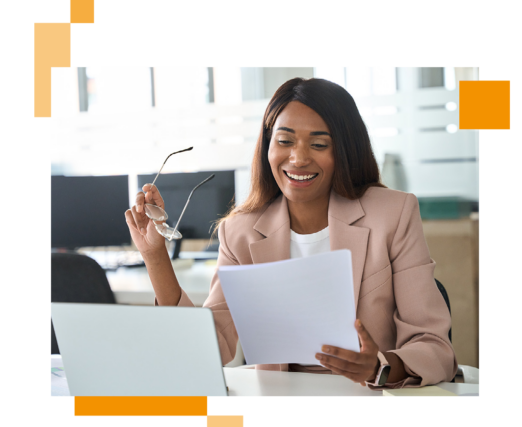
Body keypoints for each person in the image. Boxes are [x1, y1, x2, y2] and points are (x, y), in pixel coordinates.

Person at [125, 77, 457, 389]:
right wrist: (155, 257)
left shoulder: (393, 214)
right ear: (268, 146)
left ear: (344, 150)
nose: (298, 158)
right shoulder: (240, 232)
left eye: (318, 143)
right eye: (284, 141)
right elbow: (211, 347)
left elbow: (434, 347)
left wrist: (379, 367)